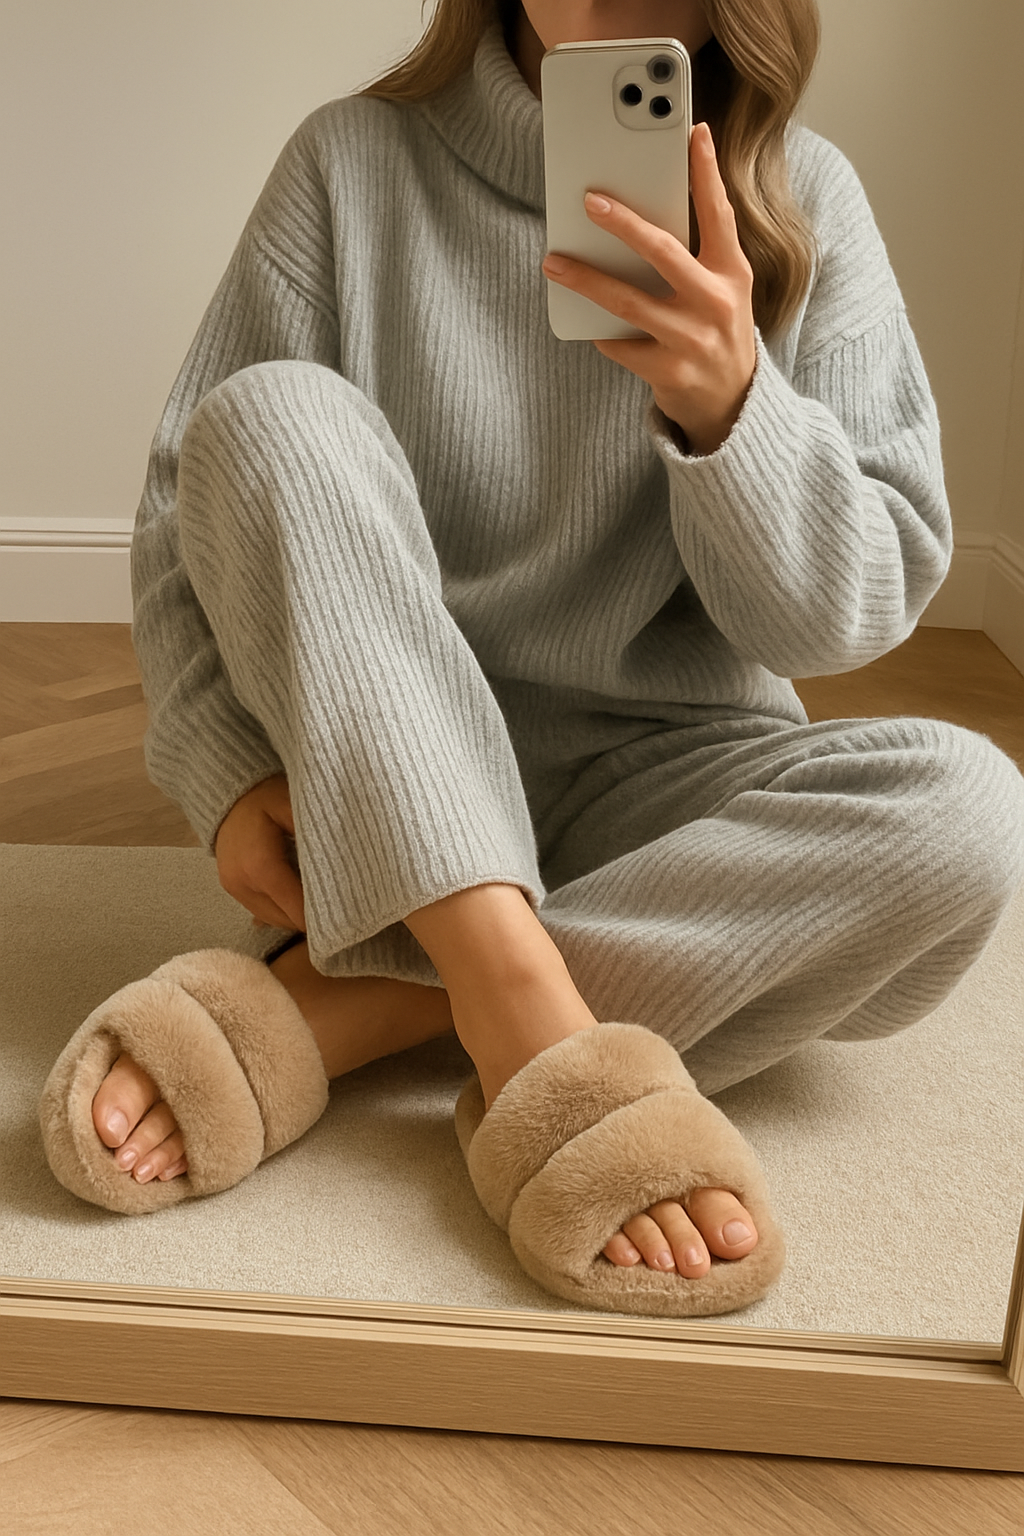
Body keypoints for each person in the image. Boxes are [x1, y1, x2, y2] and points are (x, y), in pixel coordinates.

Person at [47, 0, 1024, 1312]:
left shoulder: (804, 200)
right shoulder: (349, 163)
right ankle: (520, 1006)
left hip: (671, 782)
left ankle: (367, 1004)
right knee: (270, 412)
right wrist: (225, 770)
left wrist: (733, 408)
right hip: (392, 766)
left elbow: (841, 618)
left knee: (974, 814)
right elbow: (191, 508)